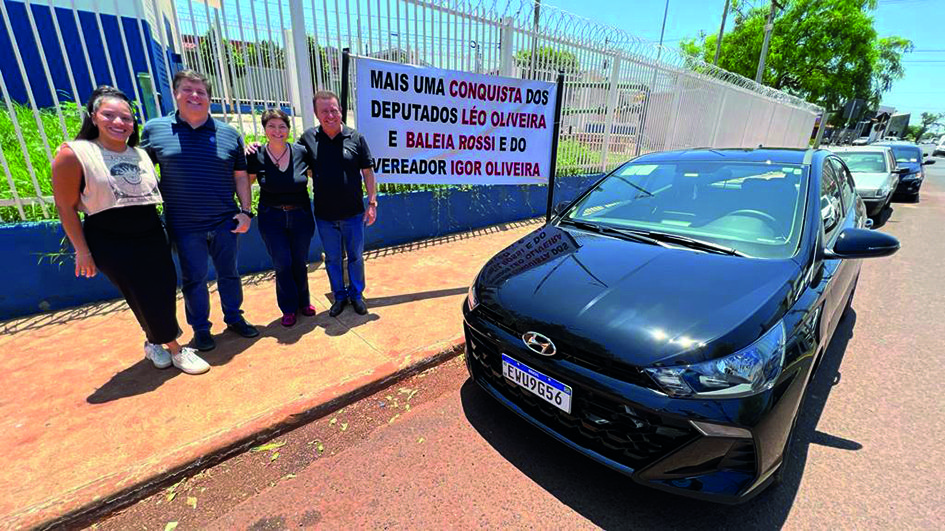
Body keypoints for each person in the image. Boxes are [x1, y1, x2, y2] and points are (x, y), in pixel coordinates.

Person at [51, 86, 209, 375]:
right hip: (110, 236)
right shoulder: (74, 154)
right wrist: (82, 250)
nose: (119, 122)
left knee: (161, 290)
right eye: (109, 115)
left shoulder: (141, 154)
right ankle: (175, 348)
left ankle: (153, 342)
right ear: (93, 117)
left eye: (126, 117)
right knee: (141, 292)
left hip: (150, 230)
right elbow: (65, 206)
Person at [140, 70, 259, 352]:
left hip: (224, 222)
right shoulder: (155, 129)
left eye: (201, 92)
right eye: (188, 90)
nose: (195, 96)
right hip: (184, 225)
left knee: (229, 273)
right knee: (194, 279)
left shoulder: (229, 134)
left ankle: (234, 318)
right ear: (175, 94)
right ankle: (201, 329)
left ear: (209, 97)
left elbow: (241, 176)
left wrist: (246, 211)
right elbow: (142, 172)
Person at [298, 91, 377, 317]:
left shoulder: (356, 138)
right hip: (325, 216)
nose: (330, 115)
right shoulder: (308, 139)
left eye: (334, 110)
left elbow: (368, 172)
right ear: (316, 114)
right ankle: (339, 297)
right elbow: (288, 155)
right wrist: (255, 148)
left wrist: (372, 203)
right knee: (333, 259)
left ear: (341, 111)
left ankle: (357, 295)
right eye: (324, 111)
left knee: (355, 258)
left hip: (353, 214)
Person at [247, 109, 317, 327]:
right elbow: (245, 182)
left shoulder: (301, 152)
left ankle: (303, 301)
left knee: (299, 261)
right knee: (282, 263)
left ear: (288, 129)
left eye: (282, 126)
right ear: (265, 129)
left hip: (301, 215)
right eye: (272, 126)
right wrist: (244, 209)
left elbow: (319, 174)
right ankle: (288, 307)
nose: (277, 131)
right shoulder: (256, 155)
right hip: (271, 217)